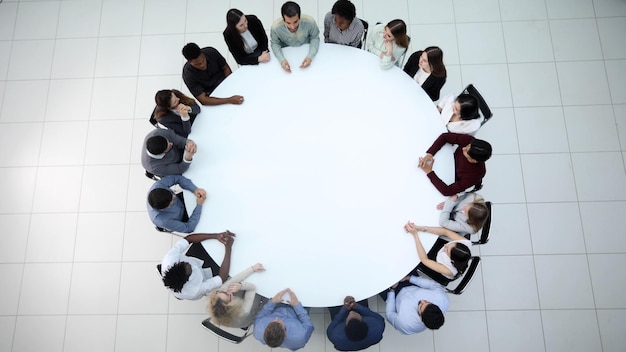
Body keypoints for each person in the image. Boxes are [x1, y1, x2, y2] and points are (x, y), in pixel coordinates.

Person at [161, 231, 235, 300]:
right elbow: (221, 278)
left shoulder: (170, 259)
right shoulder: (194, 291)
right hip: (207, 275)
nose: (188, 263)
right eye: (189, 268)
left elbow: (188, 239)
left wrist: (216, 236)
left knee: (206, 242)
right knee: (233, 264)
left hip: (195, 256)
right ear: (188, 279)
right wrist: (228, 247)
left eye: (183, 263)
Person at [417, 132, 492, 197]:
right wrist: (430, 154)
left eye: (466, 151)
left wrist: (429, 171)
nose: (463, 148)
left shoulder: (475, 175)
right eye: (467, 146)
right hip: (446, 160)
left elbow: (447, 191)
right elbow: (445, 136)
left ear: (474, 160)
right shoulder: (469, 141)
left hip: (449, 178)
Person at [207, 263, 268, 328]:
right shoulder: (243, 311)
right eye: (227, 294)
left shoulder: (220, 294)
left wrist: (252, 269)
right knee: (261, 291)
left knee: (235, 282)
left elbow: (233, 280)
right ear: (231, 302)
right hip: (248, 314)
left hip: (233, 307)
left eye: (221, 291)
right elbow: (252, 288)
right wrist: (241, 285)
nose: (226, 290)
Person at [404, 222, 472, 280]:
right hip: (439, 252)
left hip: (433, 260)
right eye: (451, 244)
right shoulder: (465, 242)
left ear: (452, 260)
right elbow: (445, 232)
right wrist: (420, 228)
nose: (445, 245)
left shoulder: (448, 270)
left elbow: (425, 260)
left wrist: (415, 235)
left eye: (447, 250)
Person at [383, 275, 448, 334]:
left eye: (421, 305)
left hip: (394, 295)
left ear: (420, 318)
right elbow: (432, 285)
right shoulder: (441, 298)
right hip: (413, 283)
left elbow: (390, 314)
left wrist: (392, 290)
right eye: (426, 301)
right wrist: (408, 278)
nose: (422, 300)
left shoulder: (406, 325)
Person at [270, 1, 320, 73]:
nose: (292, 27)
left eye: (295, 22)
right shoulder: (276, 28)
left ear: (299, 17)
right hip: (288, 51)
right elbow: (275, 43)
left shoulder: (310, 22)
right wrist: (282, 60)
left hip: (306, 47)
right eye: (288, 23)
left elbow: (315, 37)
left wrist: (310, 56)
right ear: (283, 20)